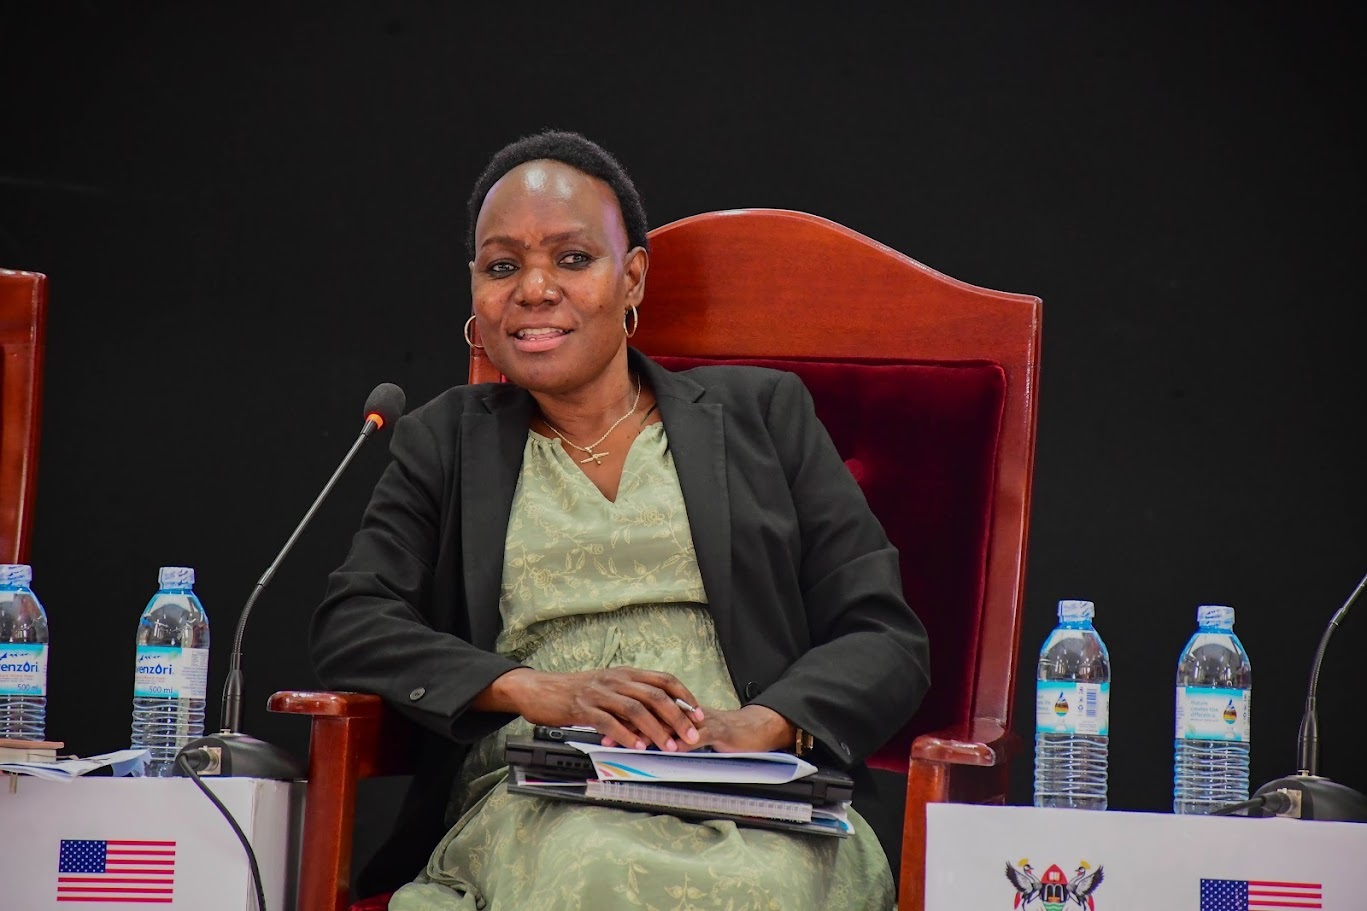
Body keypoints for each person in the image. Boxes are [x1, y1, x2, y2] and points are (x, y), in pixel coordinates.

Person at [310, 129, 931, 910]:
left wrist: (767, 724)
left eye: (572, 258)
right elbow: (353, 622)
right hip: (545, 794)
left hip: (757, 800)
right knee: (593, 866)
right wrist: (539, 690)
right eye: (502, 266)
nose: (534, 289)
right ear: (475, 290)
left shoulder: (762, 417)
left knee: (763, 887)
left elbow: (885, 634)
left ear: (631, 276)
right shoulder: (444, 440)